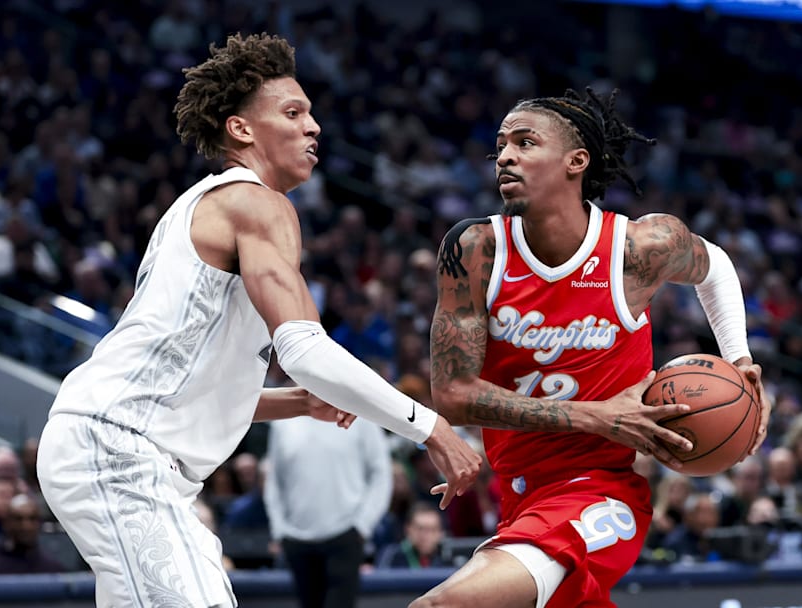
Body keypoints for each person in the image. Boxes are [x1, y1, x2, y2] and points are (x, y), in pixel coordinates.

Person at [36, 33, 480, 608]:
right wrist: (432, 428)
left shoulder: (197, 206)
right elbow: (304, 349)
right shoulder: (258, 202)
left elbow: (184, 384)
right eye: (293, 113)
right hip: (119, 451)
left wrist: (298, 402)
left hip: (119, 448)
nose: (313, 126)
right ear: (241, 129)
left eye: (311, 113)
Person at [415, 88, 771, 607]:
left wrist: (741, 362)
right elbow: (452, 394)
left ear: (576, 161)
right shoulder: (475, 250)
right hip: (517, 494)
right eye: (500, 145)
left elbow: (713, 264)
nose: (505, 156)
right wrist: (597, 416)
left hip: (601, 492)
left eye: (525, 142)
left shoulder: (638, 249)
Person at [264, 415, 392, 608]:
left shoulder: (361, 417)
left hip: (346, 534)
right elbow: (274, 481)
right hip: (296, 539)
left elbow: (381, 473)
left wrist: (362, 525)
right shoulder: (282, 422)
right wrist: (279, 529)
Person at [0, 493, 66, 574]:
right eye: (18, 519)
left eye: (32, 519)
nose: (26, 526)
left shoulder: (53, 569)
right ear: (6, 523)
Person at [375, 502, 453, 569]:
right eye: (420, 529)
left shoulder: (450, 559)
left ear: (441, 533)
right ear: (407, 529)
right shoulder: (391, 555)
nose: (425, 536)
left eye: (432, 530)